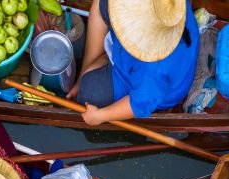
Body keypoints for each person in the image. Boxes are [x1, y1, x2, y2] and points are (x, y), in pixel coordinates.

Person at [66, 0, 199, 126]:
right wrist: (83, 72)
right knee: (103, 4)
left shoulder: (154, 67)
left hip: (145, 85)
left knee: (89, 90)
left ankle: (106, 56)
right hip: (135, 56)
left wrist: (99, 116)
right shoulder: (163, 6)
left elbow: (139, 104)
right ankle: (103, 58)